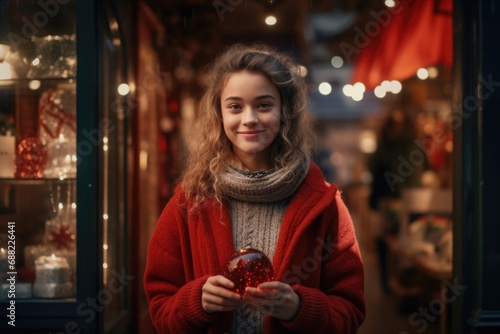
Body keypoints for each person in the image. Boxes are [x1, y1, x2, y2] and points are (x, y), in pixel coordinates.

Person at [143, 43, 365, 333]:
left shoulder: (324, 205)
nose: (249, 119)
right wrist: (196, 301)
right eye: (235, 106)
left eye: (263, 105)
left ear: (285, 111)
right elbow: (160, 311)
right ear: (219, 115)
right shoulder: (190, 201)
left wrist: (300, 307)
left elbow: (350, 311)